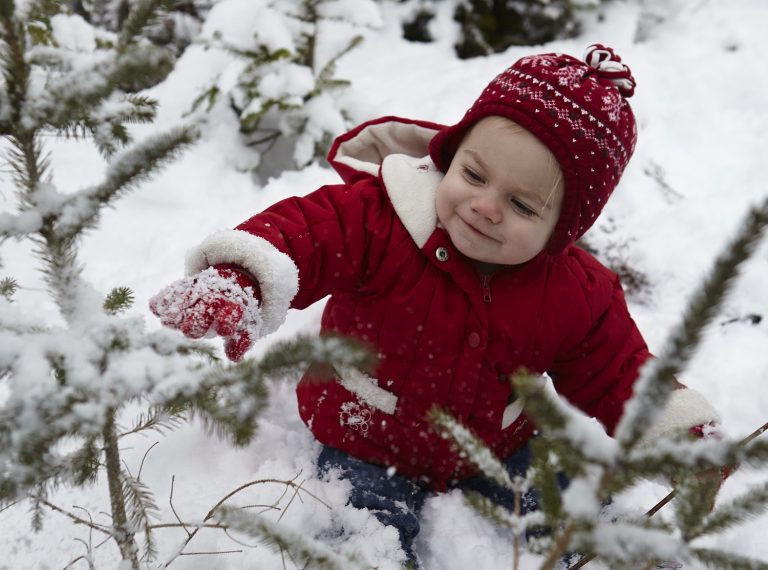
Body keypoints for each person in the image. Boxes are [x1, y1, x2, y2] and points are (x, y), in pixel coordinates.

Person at [149, 44, 721, 567]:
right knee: (362, 535)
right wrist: (240, 276)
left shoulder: (576, 292)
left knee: (568, 503)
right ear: (451, 151)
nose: (484, 206)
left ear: (563, 229)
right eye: (473, 173)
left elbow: (616, 371)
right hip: (366, 435)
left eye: (522, 205)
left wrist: (677, 435)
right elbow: (303, 236)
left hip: (498, 444)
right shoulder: (380, 218)